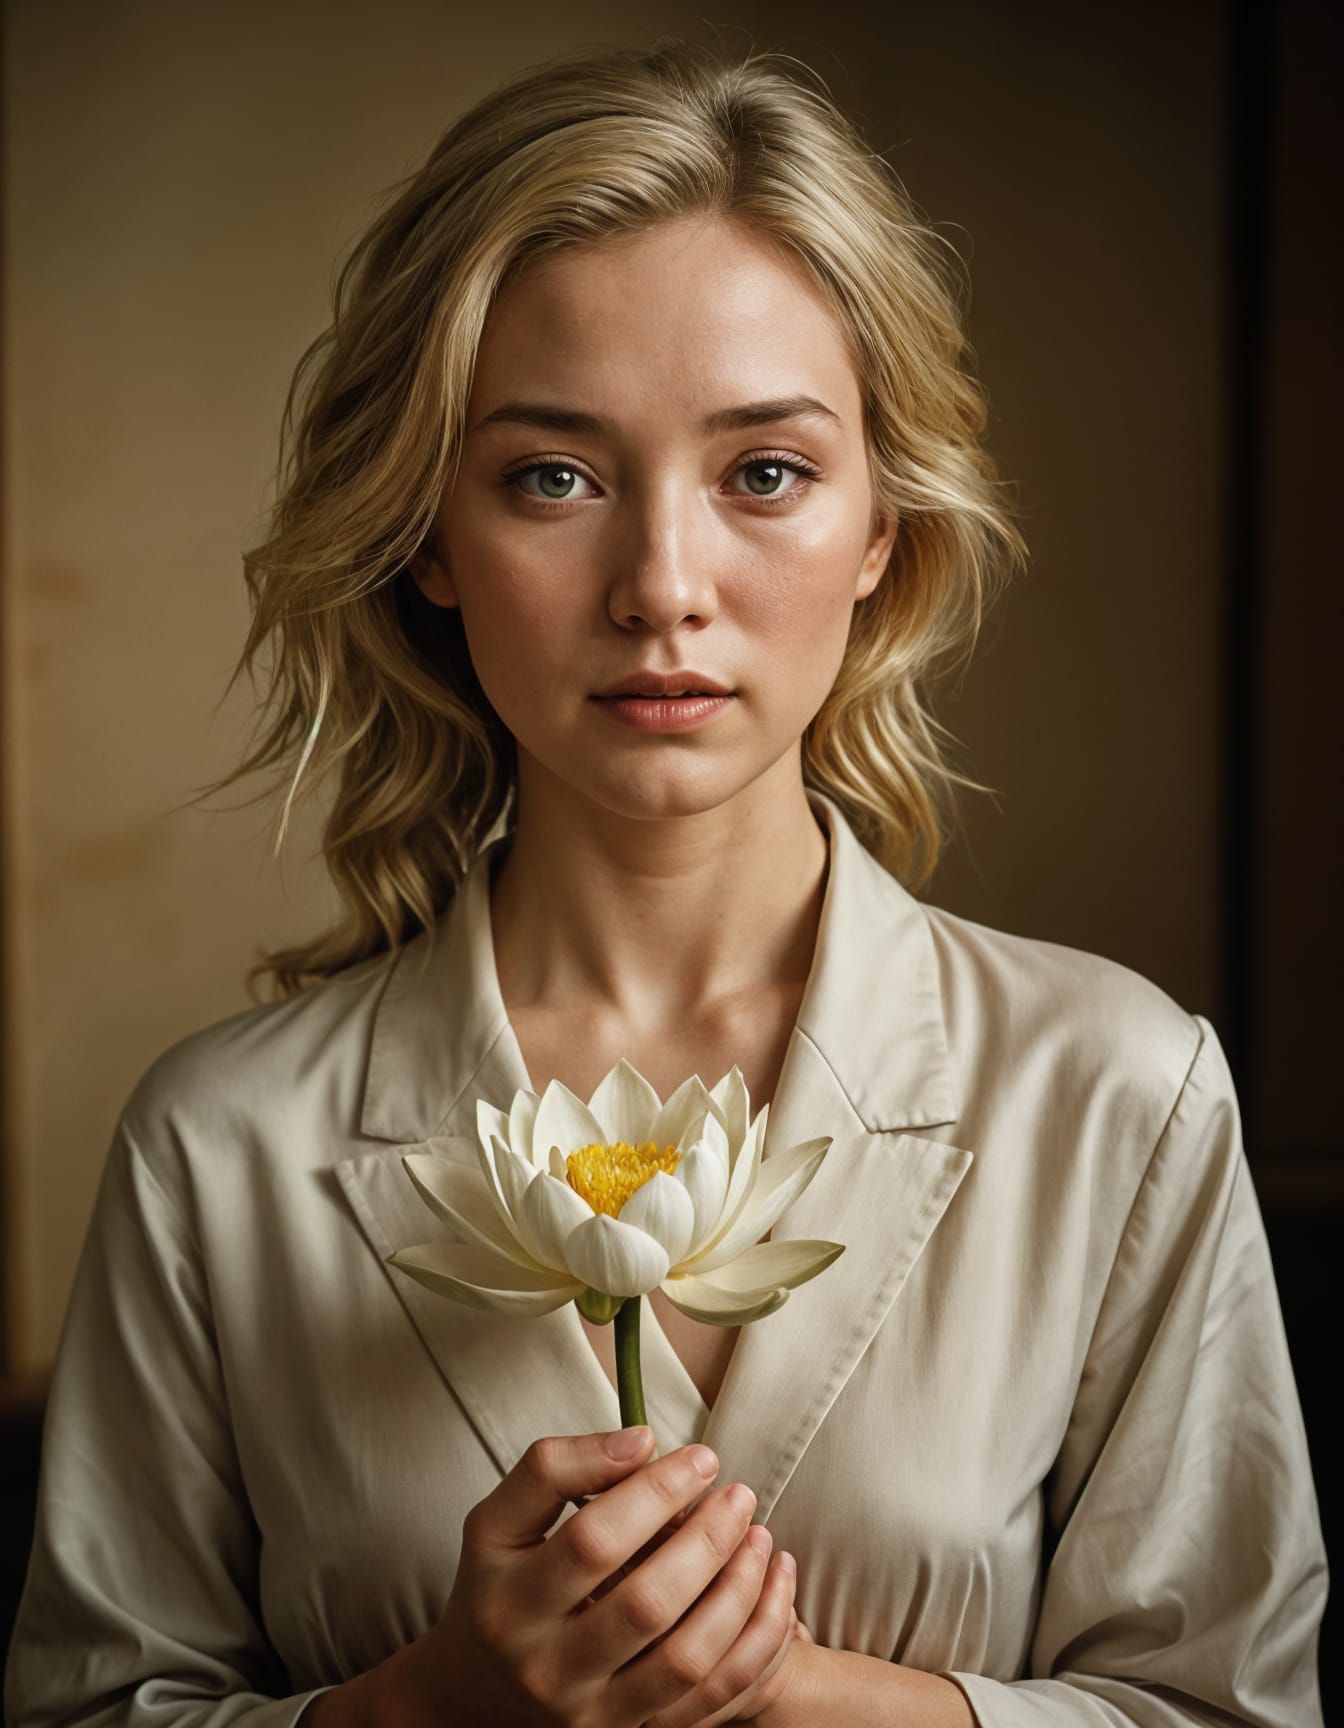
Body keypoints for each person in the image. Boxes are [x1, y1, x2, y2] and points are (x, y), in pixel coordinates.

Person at [3, 36, 1327, 1728]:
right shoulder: (219, 1151)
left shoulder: (1120, 1095)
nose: (662, 587)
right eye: (553, 476)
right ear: (428, 532)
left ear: (880, 534)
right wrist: (430, 1706)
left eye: (765, 472)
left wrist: (801, 1692)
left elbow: (1228, 1708)